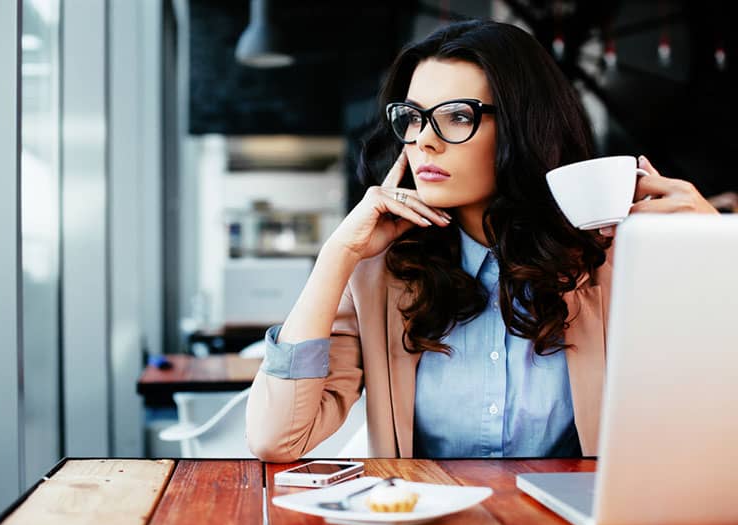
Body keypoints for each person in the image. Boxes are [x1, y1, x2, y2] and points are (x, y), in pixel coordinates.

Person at [245, 19, 718, 462]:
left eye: (455, 116)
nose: (423, 141)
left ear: (523, 125)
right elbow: (277, 438)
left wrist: (718, 251)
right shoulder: (382, 271)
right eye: (412, 117)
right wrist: (337, 255)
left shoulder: (607, 258)